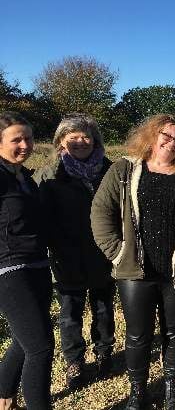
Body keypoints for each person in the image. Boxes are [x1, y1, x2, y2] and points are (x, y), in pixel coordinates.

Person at [91, 114, 175, 410]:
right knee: (137, 334)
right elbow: (100, 212)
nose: (171, 143)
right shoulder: (123, 170)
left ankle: (172, 389)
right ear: (152, 135)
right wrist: (117, 253)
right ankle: (138, 391)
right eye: (166, 136)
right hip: (135, 271)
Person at [34, 114, 115, 389]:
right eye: (73, 137)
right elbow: (39, 218)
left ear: (95, 140)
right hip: (66, 256)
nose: (80, 142)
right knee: (70, 314)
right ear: (61, 142)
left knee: (103, 308)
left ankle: (104, 351)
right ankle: (74, 361)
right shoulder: (50, 174)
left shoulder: (110, 170)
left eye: (86, 136)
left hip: (103, 254)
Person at [0, 112, 54, 410]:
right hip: (9, 270)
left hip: (37, 266)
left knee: (26, 340)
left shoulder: (25, 178)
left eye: (29, 138)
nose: (25, 144)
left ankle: (4, 395)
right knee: (41, 347)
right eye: (16, 139)